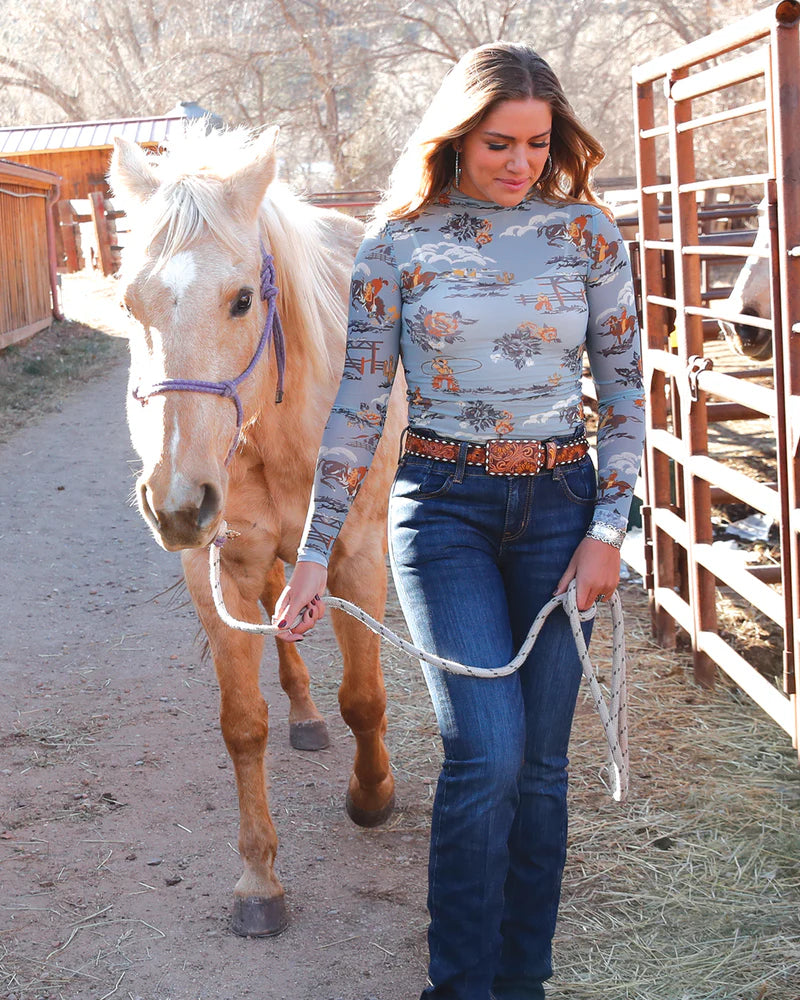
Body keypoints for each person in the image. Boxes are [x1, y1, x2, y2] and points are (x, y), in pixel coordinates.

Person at [274, 42, 645, 1000]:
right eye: (496, 143)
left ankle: (523, 981)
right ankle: (460, 987)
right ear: (456, 138)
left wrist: (610, 531)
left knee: (542, 767)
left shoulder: (589, 236)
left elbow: (625, 399)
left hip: (564, 508)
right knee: (486, 749)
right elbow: (357, 411)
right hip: (444, 510)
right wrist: (313, 556)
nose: (519, 163)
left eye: (536, 142)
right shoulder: (396, 244)